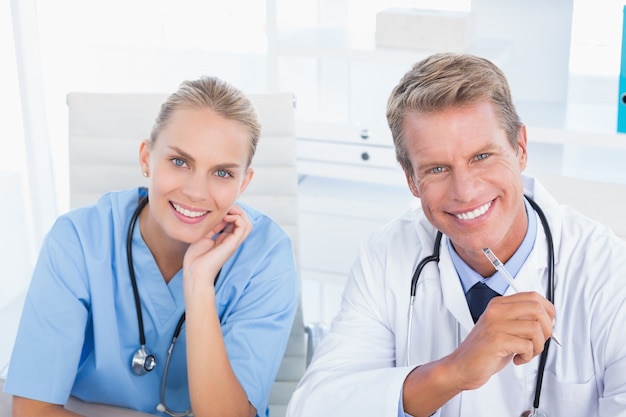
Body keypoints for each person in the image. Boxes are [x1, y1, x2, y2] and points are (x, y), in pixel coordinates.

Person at [286, 52, 626, 417]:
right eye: (436, 168)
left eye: (481, 156)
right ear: (411, 180)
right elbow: (313, 407)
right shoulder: (385, 255)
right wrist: (454, 371)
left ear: (521, 148)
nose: (464, 191)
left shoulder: (609, 273)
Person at [4, 76, 299, 417]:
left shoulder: (266, 255)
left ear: (244, 183)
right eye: (179, 161)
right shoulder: (77, 241)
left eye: (222, 173)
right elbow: (32, 409)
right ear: (146, 158)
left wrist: (199, 283)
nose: (196, 191)